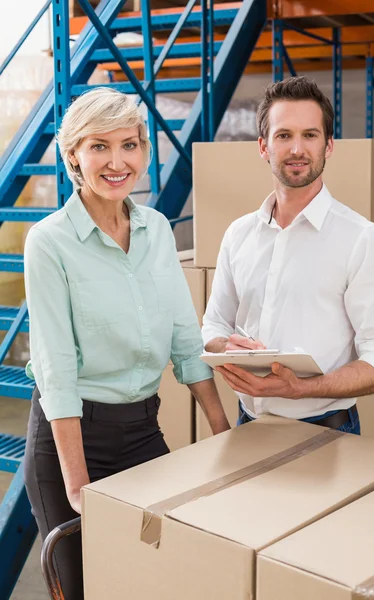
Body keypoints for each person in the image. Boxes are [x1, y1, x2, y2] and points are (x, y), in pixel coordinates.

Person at [24, 87, 230, 600]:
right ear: (73, 155)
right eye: (99, 146)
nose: (117, 162)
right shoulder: (49, 242)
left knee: (149, 581)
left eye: (129, 144)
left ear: (143, 150)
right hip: (71, 440)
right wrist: (77, 484)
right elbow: (56, 369)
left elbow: (186, 337)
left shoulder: (157, 230)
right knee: (82, 586)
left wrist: (225, 432)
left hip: (142, 432)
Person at [202, 76, 374, 434]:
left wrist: (301, 389)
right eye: (283, 136)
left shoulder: (362, 240)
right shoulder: (238, 235)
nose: (296, 149)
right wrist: (225, 346)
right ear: (263, 147)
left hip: (327, 431)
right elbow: (213, 326)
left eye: (310, 135)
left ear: (329, 146)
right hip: (247, 426)